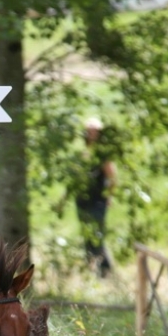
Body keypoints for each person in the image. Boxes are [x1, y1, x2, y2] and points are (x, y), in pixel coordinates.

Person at [74, 117, 118, 278]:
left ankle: (104, 269)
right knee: (87, 235)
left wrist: (109, 197)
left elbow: (112, 177)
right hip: (82, 201)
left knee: (97, 235)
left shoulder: (102, 154)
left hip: (98, 201)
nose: (92, 134)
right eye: (89, 131)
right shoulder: (83, 152)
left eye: (95, 131)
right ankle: (92, 267)